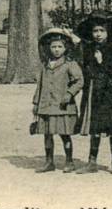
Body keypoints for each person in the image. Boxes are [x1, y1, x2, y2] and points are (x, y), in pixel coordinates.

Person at [75, 10, 112, 174]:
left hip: (110, 92)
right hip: (93, 91)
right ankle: (92, 162)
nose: (98, 34)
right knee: (95, 126)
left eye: (101, 31)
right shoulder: (89, 48)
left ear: (108, 32)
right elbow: (84, 67)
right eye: (95, 31)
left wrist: (102, 62)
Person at [32, 28, 84, 173]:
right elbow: (40, 85)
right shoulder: (45, 65)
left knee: (64, 134)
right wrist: (36, 103)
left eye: (59, 46)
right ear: (48, 48)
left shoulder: (70, 64)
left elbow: (79, 81)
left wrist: (69, 93)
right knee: (47, 134)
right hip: (46, 106)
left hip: (62, 106)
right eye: (53, 46)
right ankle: (49, 162)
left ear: (65, 47)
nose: (56, 50)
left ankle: (69, 161)